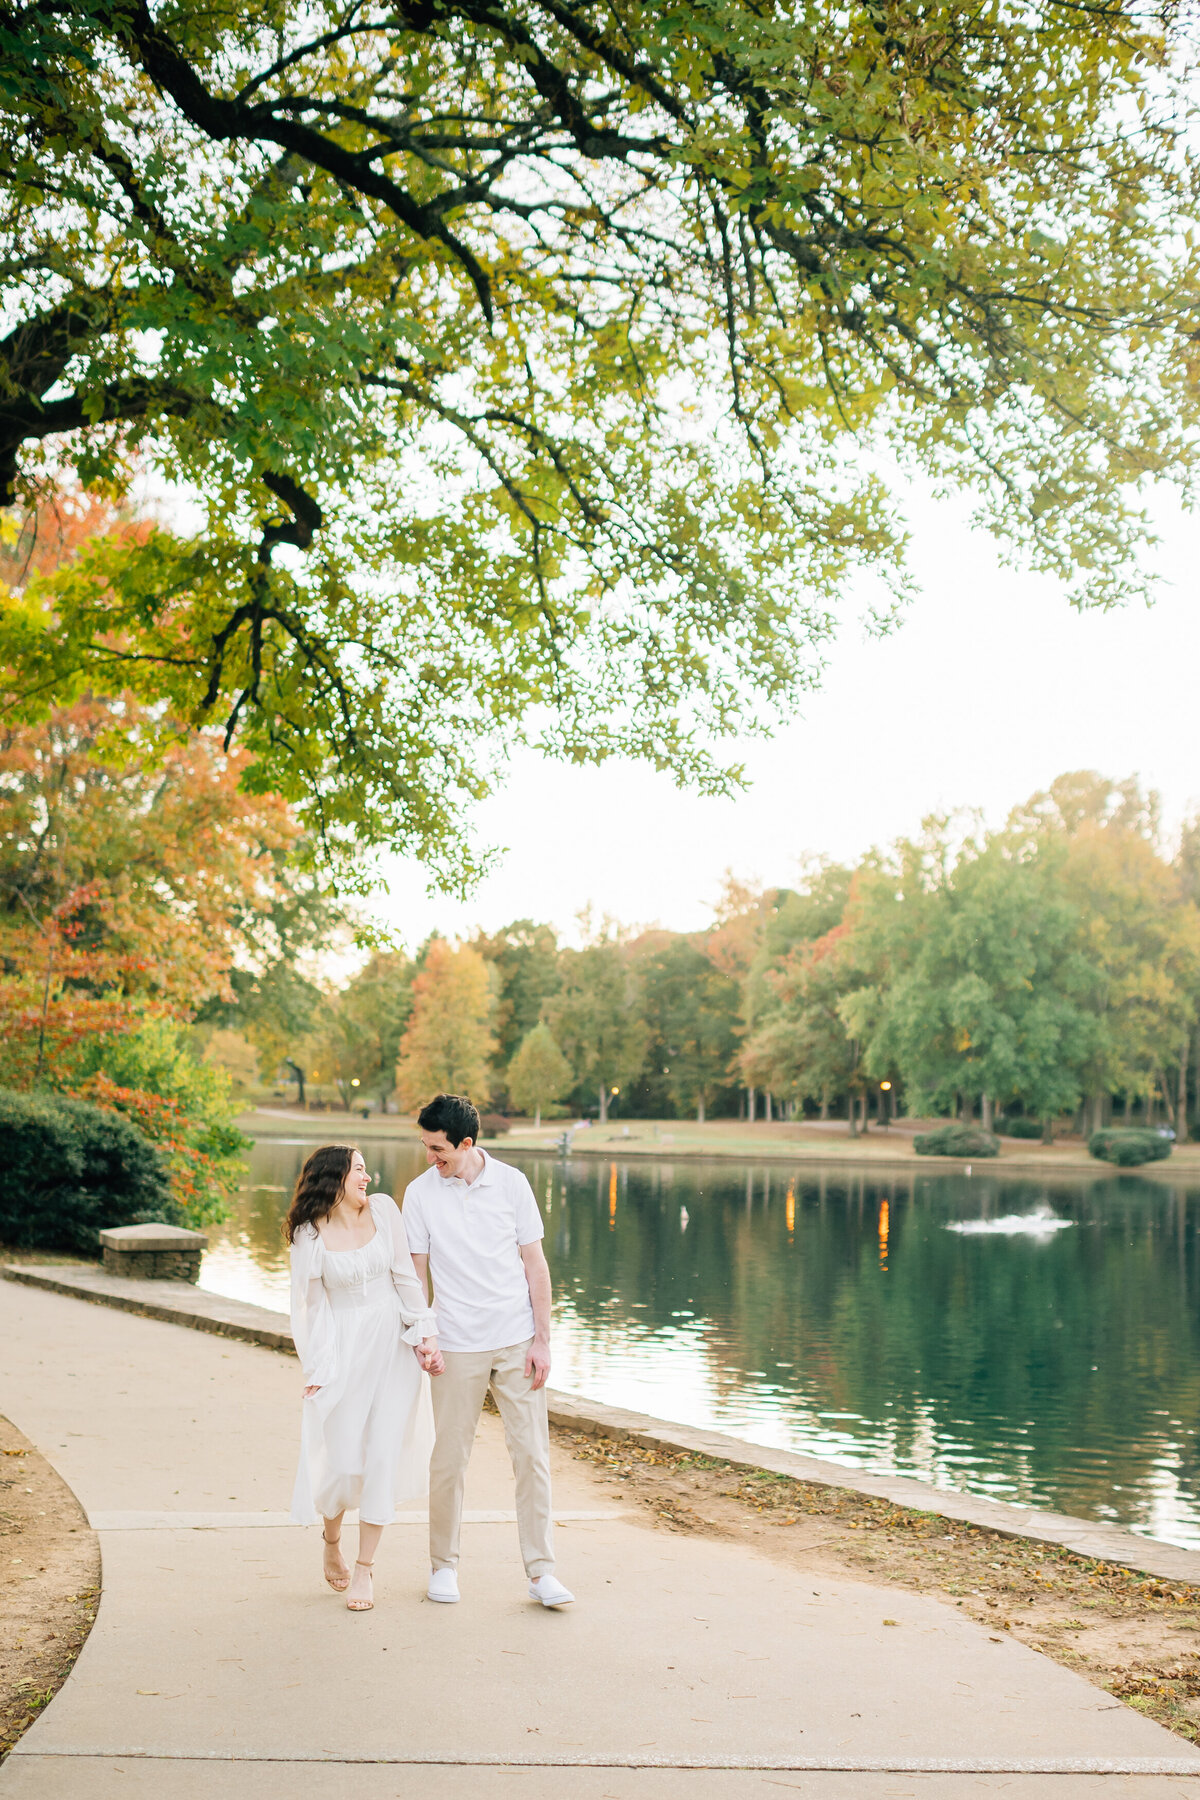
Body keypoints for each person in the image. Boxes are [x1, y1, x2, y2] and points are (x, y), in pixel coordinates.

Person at [402, 1092, 574, 1608]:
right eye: (428, 1148)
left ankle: (542, 1574)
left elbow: (535, 1267)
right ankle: (443, 1567)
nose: (432, 1158)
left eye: (439, 1149)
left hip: (516, 1339)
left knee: (532, 1458)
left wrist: (543, 1341)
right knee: (449, 1460)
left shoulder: (513, 1185)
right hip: (455, 1343)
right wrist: (423, 1335)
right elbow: (415, 1274)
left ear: (467, 1143)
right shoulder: (420, 1194)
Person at [286, 1144, 444, 1612]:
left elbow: (405, 1277)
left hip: (392, 1346)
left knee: (382, 1457)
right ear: (333, 1178)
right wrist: (317, 1367)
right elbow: (308, 1309)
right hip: (344, 1351)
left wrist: (424, 1334)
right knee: (343, 1459)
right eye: (358, 1170)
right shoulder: (308, 1234)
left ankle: (365, 1570)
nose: (367, 1177)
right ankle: (331, 1539)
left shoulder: (384, 1210)